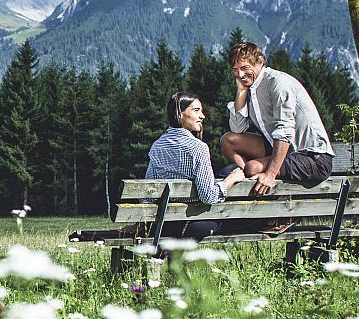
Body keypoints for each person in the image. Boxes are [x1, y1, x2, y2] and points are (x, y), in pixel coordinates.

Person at [220, 42, 336, 197]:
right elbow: (238, 129)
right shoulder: (250, 87)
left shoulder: (277, 82)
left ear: (260, 62)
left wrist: (270, 175)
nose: (240, 75)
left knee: (253, 168)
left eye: (245, 68)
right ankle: (247, 184)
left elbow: (284, 131)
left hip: (312, 157)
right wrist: (241, 91)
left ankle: (263, 206)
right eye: (235, 70)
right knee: (228, 141)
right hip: (283, 150)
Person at [143, 92, 247, 241]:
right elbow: (208, 196)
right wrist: (230, 180)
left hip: (165, 224)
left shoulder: (157, 146)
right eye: (196, 110)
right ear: (179, 114)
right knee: (231, 171)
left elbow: (148, 195)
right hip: (193, 223)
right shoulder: (198, 148)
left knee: (227, 170)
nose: (203, 116)